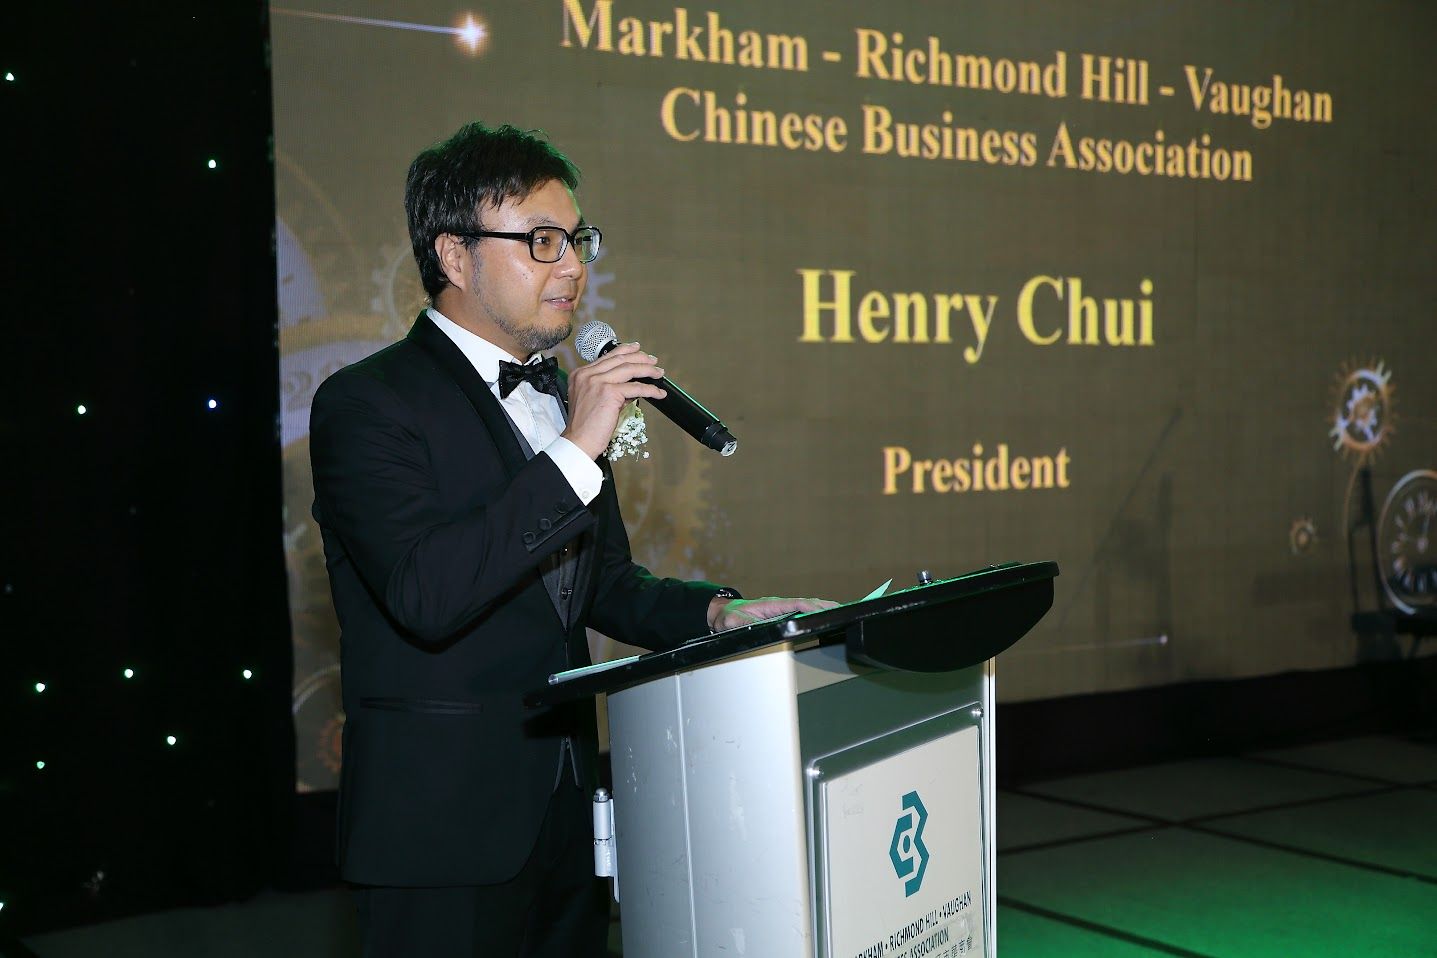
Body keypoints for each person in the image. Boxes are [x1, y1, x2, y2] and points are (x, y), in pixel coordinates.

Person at [308, 121, 830, 957]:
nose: (574, 267)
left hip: (567, 807)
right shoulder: (366, 403)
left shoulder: (558, 396)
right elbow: (425, 593)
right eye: (541, 241)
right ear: (453, 256)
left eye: (577, 240)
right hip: (440, 830)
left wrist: (719, 616)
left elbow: (603, 585)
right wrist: (576, 447)